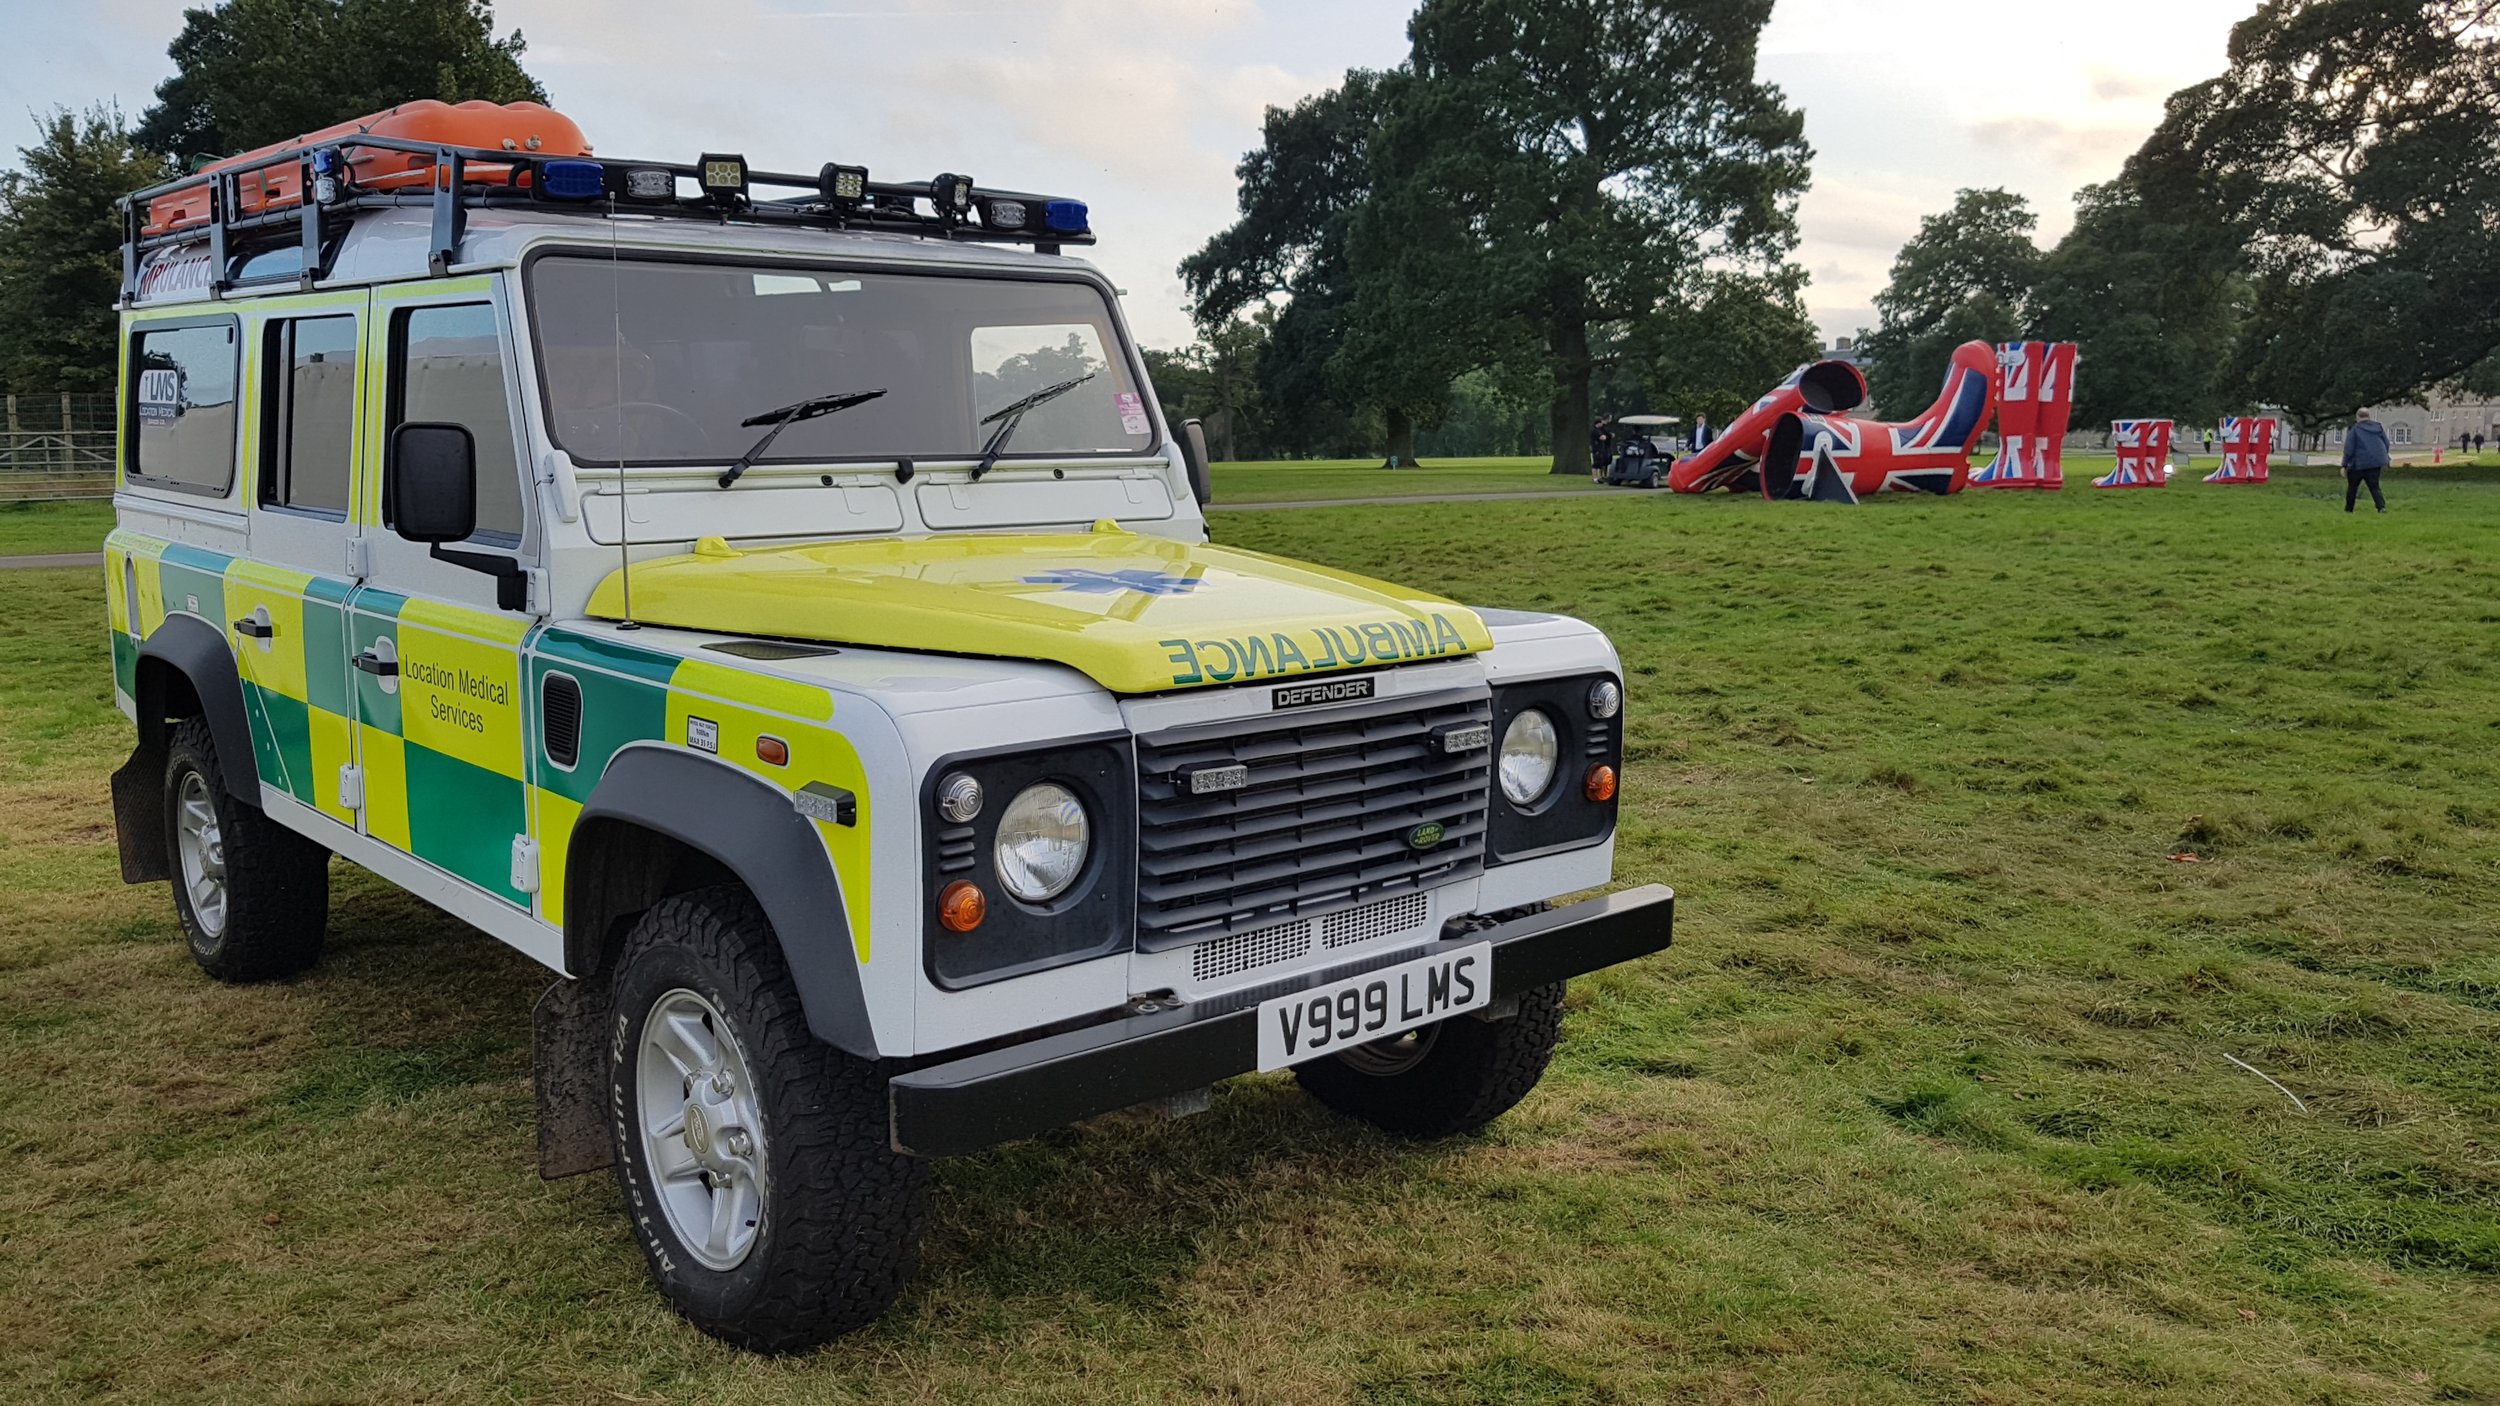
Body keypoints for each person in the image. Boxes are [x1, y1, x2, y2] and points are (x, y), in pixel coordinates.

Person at [2342, 408, 2390, 512]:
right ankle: (2381, 507)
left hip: (2358, 464)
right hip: (2375, 463)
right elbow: (2386, 443)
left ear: (2357, 417)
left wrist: (2344, 465)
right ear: (2369, 416)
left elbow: (2349, 448)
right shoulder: (2378, 427)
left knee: (2352, 487)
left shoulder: (2355, 429)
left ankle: (2349, 509)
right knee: (2374, 486)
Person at [1589, 415, 1614, 481]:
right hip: (1596, 449)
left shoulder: (1598, 430)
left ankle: (1599, 477)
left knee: (1600, 463)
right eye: (1600, 423)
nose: (1601, 424)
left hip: (1600, 449)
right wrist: (1605, 436)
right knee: (1596, 464)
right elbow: (1602, 437)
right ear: (1598, 423)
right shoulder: (1595, 431)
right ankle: (1595, 478)